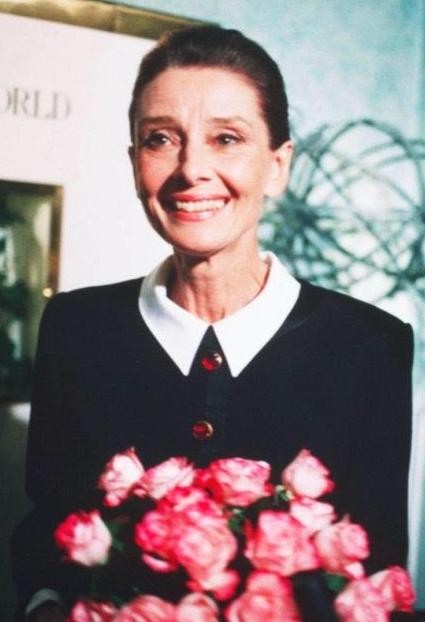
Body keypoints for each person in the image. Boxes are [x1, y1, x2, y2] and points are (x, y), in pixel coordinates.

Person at [11, 26, 413, 621]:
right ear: (135, 164)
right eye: (161, 139)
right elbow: (48, 526)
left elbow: (378, 569)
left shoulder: (371, 345)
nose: (191, 168)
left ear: (277, 166)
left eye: (227, 138)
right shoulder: (76, 328)